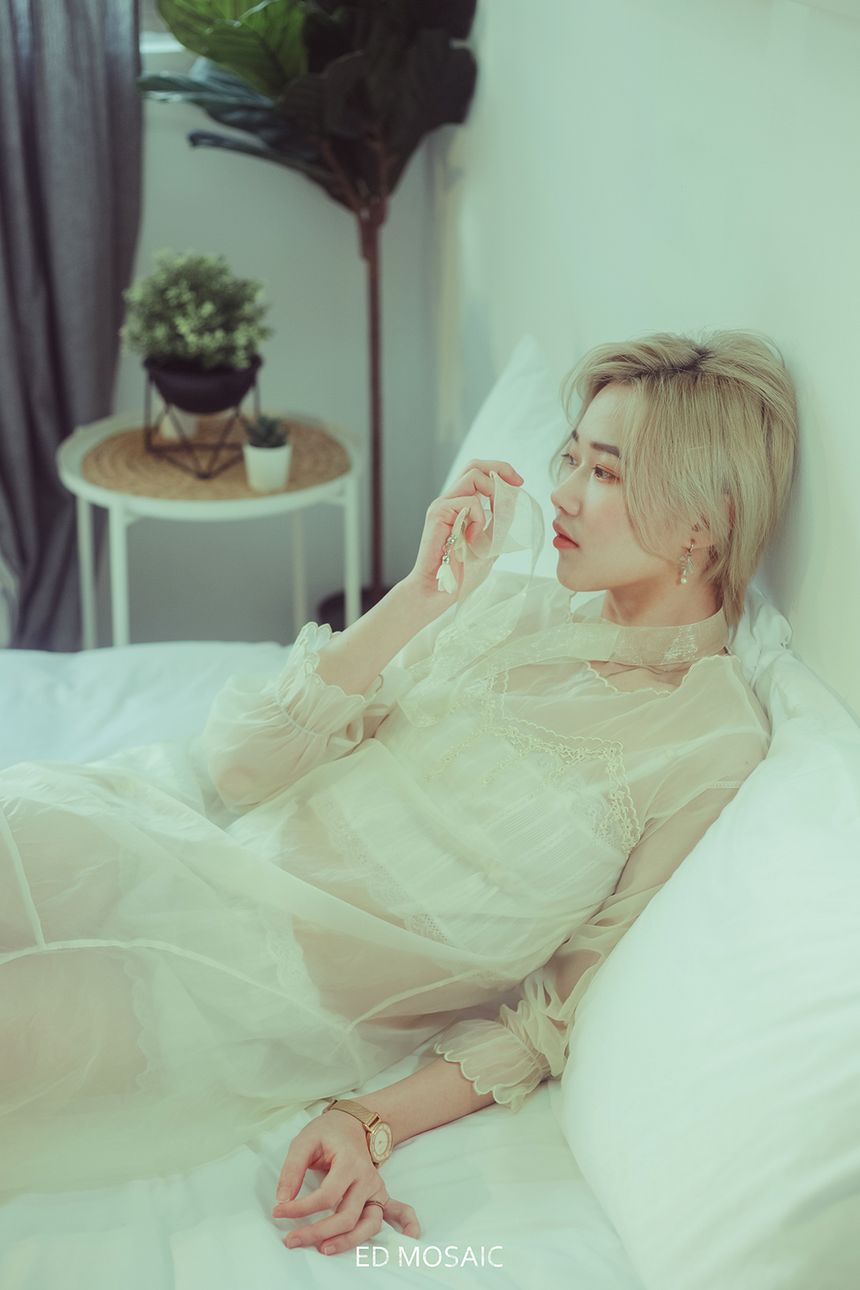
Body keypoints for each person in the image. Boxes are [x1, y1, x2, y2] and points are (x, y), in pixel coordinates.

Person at [0, 329, 798, 1257]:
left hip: (235, 997)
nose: (565, 493)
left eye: (607, 472)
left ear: (703, 523)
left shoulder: (710, 742)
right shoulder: (508, 607)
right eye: (571, 458)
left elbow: (553, 1012)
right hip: (181, 845)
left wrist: (370, 1119)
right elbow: (239, 767)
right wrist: (422, 596)